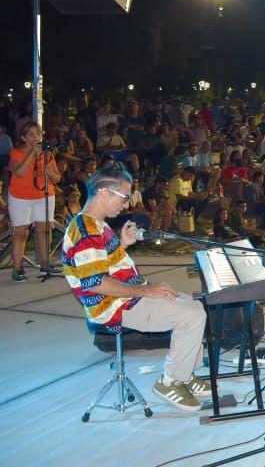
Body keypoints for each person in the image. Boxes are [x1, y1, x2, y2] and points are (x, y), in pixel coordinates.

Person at [61, 166, 210, 412]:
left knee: (196, 306)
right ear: (104, 193)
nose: (126, 204)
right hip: (114, 306)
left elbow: (101, 262)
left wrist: (121, 244)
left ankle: (183, 375)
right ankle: (170, 382)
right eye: (124, 196)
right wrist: (145, 291)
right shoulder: (85, 229)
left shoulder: (96, 224)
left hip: (128, 295)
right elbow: (97, 283)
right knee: (192, 315)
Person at [7, 122, 62, 282]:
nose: (36, 137)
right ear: (23, 137)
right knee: (21, 232)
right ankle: (17, 268)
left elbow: (57, 178)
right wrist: (32, 153)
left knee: (44, 230)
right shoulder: (16, 153)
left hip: (44, 196)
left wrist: (50, 172)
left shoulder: (48, 154)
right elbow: (19, 172)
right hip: (20, 197)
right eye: (31, 134)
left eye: (38, 133)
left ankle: (46, 263)